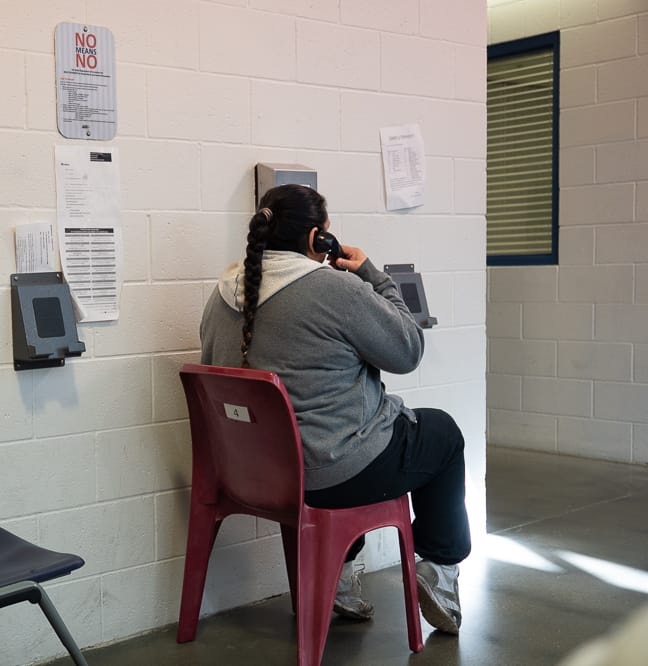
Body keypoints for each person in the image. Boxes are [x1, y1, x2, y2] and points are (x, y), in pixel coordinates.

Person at [199, 184, 471, 634]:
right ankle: (440, 569)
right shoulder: (335, 289)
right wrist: (373, 276)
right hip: (327, 476)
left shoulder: (223, 293)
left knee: (345, 432)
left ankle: (339, 577)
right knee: (441, 433)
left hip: (250, 476)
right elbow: (408, 349)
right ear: (317, 239)